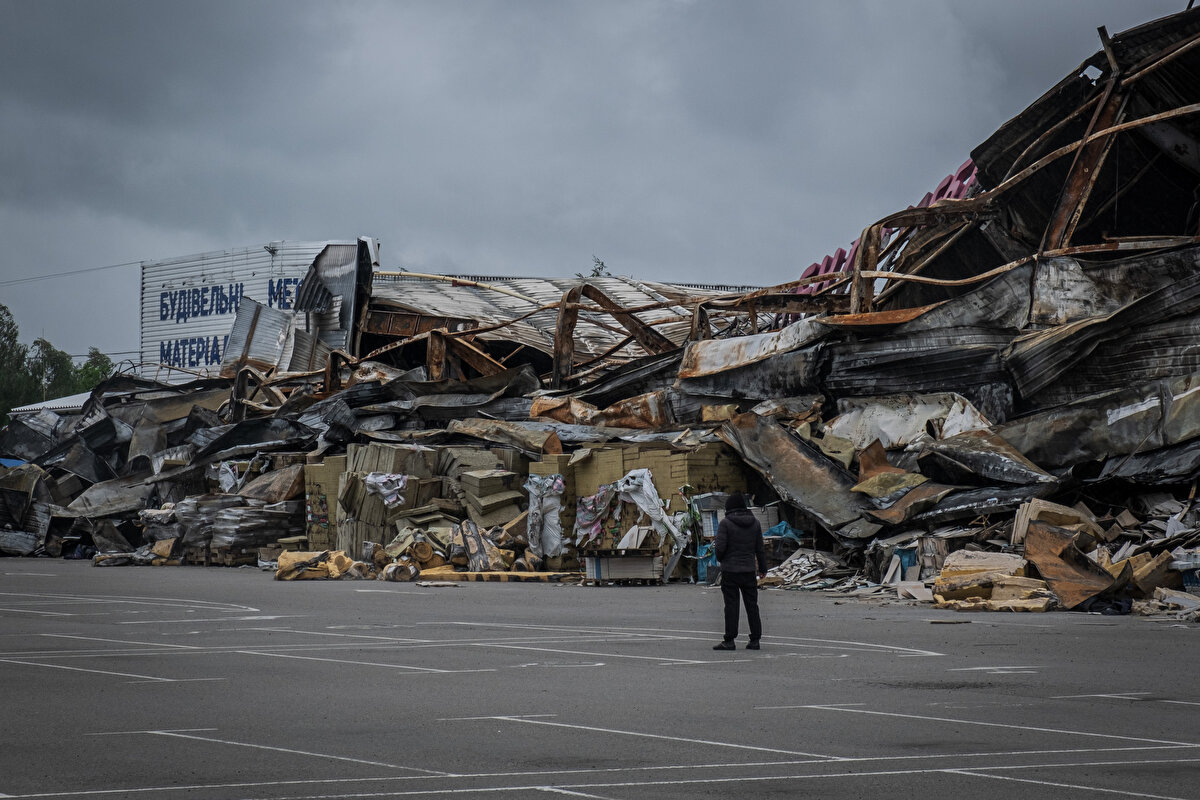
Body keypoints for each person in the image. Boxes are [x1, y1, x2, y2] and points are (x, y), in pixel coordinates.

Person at [712, 492, 767, 650]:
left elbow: (720, 549)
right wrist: (763, 569)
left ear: (729, 508)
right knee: (752, 605)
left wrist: (722, 559)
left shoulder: (725, 523)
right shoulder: (755, 523)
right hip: (749, 571)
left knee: (731, 606)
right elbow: (760, 549)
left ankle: (729, 640)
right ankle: (755, 640)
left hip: (730, 571)